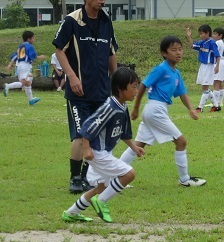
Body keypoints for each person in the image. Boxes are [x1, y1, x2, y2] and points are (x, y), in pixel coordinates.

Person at [119, 36, 207, 188]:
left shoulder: (176, 73)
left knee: (138, 145)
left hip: (157, 110)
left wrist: (191, 109)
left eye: (180, 49)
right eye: (173, 50)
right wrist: (135, 108)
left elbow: (182, 93)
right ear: (164, 53)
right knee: (181, 142)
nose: (178, 53)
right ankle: (184, 179)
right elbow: (143, 86)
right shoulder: (161, 69)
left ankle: (115, 176)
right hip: (155, 110)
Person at [62, 67, 144, 223]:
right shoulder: (109, 108)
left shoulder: (122, 106)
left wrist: (134, 147)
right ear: (120, 89)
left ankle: (71, 213)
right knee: (129, 174)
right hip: (97, 153)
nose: (137, 90)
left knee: (101, 187)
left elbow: (123, 133)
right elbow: (87, 127)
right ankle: (101, 201)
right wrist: (86, 148)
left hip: (103, 152)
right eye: (134, 86)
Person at [53, 0, 118, 194]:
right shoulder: (72, 21)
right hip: (79, 92)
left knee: (96, 138)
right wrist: (71, 77)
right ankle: (75, 179)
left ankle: (86, 176)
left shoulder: (107, 21)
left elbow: (111, 53)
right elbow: (59, 51)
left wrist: (116, 84)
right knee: (81, 136)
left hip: (101, 93)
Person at [3, 30, 46, 105]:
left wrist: (10, 64)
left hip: (20, 65)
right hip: (25, 65)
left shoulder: (20, 46)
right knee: (22, 83)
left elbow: (15, 56)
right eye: (33, 38)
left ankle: (31, 100)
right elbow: (33, 56)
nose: (33, 39)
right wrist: (40, 57)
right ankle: (8, 86)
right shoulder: (29, 46)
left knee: (28, 83)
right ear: (29, 39)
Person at [185, 24, 221, 112]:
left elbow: (217, 55)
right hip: (203, 66)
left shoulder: (212, 43)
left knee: (205, 88)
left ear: (207, 33)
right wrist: (189, 37)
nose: (201, 35)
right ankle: (216, 106)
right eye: (200, 34)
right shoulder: (202, 42)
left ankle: (200, 108)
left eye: (202, 33)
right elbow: (192, 45)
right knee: (205, 88)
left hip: (209, 66)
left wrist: (217, 66)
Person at [212, 27, 224, 110]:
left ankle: (216, 103)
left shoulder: (218, 42)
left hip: (219, 63)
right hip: (223, 63)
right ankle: (219, 102)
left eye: (215, 34)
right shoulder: (221, 42)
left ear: (220, 35)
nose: (213, 36)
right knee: (220, 83)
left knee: (216, 82)